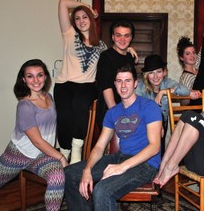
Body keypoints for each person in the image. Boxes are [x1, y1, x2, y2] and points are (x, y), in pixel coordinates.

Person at [0, 59, 67, 210]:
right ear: (23, 79)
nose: (36, 80)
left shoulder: (49, 97)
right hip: (18, 154)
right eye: (30, 76)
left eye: (40, 75)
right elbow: (37, 141)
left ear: (46, 76)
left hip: (41, 155)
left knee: (57, 176)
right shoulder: (25, 106)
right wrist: (61, 157)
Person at [64, 63, 162, 211]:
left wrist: (122, 167)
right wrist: (87, 169)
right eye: (119, 81)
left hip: (146, 164)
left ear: (135, 83)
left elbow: (154, 147)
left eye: (128, 80)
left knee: (102, 190)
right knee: (69, 174)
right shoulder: (112, 112)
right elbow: (99, 146)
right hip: (121, 157)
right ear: (115, 84)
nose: (123, 85)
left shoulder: (149, 106)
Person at [54, 0, 107, 164]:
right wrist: (88, 8)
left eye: (85, 17)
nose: (81, 21)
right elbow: (62, 2)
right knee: (64, 117)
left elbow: (114, 55)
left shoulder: (101, 45)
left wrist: (128, 49)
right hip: (64, 85)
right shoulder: (69, 34)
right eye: (77, 18)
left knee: (79, 105)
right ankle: (64, 153)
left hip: (86, 86)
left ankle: (76, 148)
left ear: (91, 20)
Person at [136, 54, 200, 154]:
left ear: (164, 72)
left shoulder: (167, 83)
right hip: (144, 124)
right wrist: (155, 123)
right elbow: (136, 110)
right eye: (151, 73)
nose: (156, 76)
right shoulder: (140, 87)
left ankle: (158, 162)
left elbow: (184, 90)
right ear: (146, 75)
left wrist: (164, 92)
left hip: (162, 124)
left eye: (159, 72)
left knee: (159, 149)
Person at [96, 19, 137, 129]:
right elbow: (106, 86)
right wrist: (116, 114)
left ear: (131, 37)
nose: (123, 39)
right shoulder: (106, 57)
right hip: (109, 110)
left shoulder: (130, 57)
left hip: (127, 110)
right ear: (113, 37)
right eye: (118, 35)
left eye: (126, 36)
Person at [178, 7, 204, 107]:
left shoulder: (198, 66)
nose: (192, 56)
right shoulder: (185, 77)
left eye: (193, 52)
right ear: (181, 58)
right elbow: (183, 103)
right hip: (195, 112)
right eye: (187, 54)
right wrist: (190, 93)